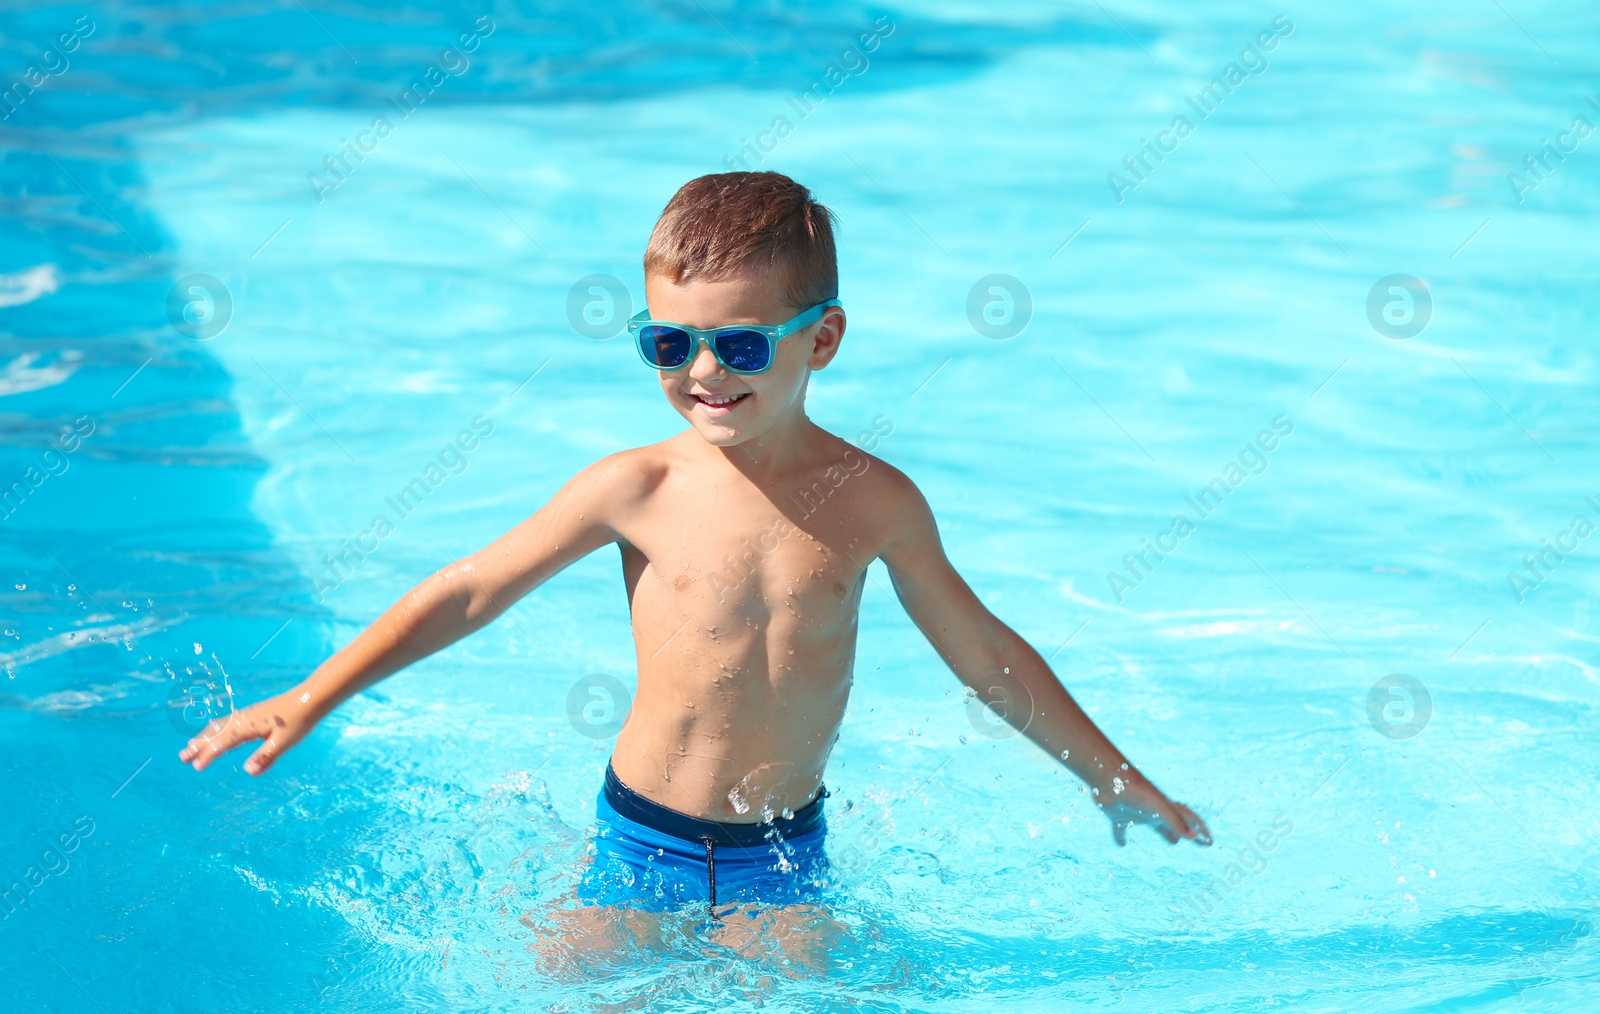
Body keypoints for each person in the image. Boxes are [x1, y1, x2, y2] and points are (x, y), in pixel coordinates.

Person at [179, 170, 1211, 949]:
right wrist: (313, 695)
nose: (703, 372)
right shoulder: (637, 488)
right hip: (640, 837)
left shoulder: (874, 502)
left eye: (742, 346)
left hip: (781, 852)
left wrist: (1107, 774)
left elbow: (980, 652)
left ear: (826, 339)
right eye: (667, 344)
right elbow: (471, 592)